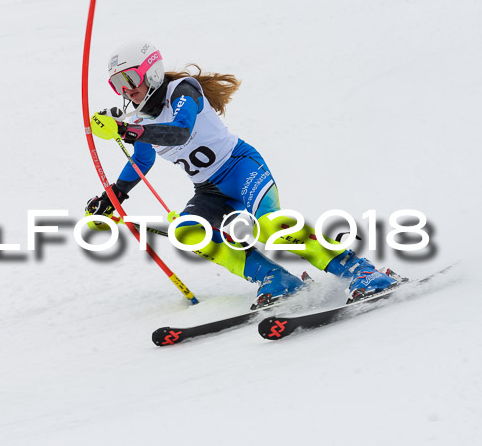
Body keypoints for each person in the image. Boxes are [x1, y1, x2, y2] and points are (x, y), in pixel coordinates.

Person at [86, 40, 397, 308]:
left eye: (130, 77)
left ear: (151, 71)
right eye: (117, 84)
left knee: (271, 225)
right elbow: (142, 160)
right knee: (188, 231)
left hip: (241, 166)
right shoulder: (141, 117)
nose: (127, 89)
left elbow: (180, 132)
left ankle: (361, 271)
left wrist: (127, 129)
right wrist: (114, 195)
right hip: (209, 190)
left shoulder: (183, 91)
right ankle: (276, 279)